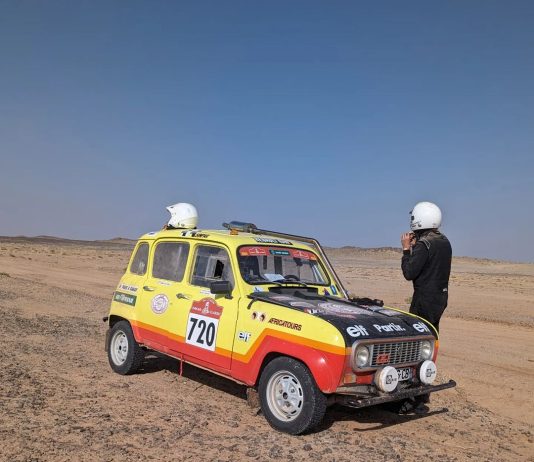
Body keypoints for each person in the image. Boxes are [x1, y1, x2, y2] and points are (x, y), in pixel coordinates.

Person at [399, 201, 452, 414]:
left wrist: (406, 250)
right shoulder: (444, 242)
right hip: (439, 299)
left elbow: (409, 273)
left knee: (416, 346)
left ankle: (413, 399)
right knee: (430, 345)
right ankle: (423, 391)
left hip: (424, 299)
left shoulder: (424, 245)